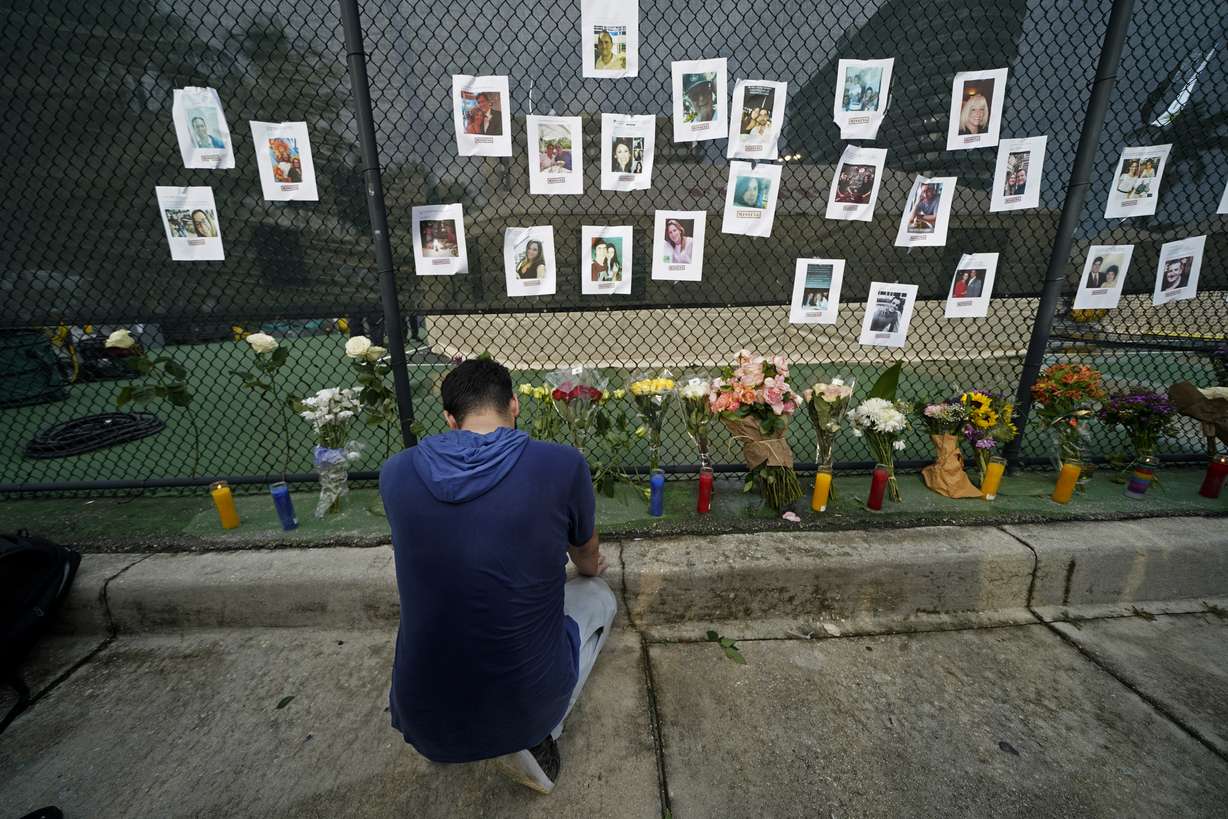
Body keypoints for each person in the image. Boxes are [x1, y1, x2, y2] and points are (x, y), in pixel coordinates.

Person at [380, 358, 617, 794]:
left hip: (424, 723)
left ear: (451, 419)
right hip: (523, 711)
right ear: (514, 405)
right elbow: (586, 555)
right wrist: (585, 567)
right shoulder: (562, 464)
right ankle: (545, 730)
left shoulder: (395, 472)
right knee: (598, 593)